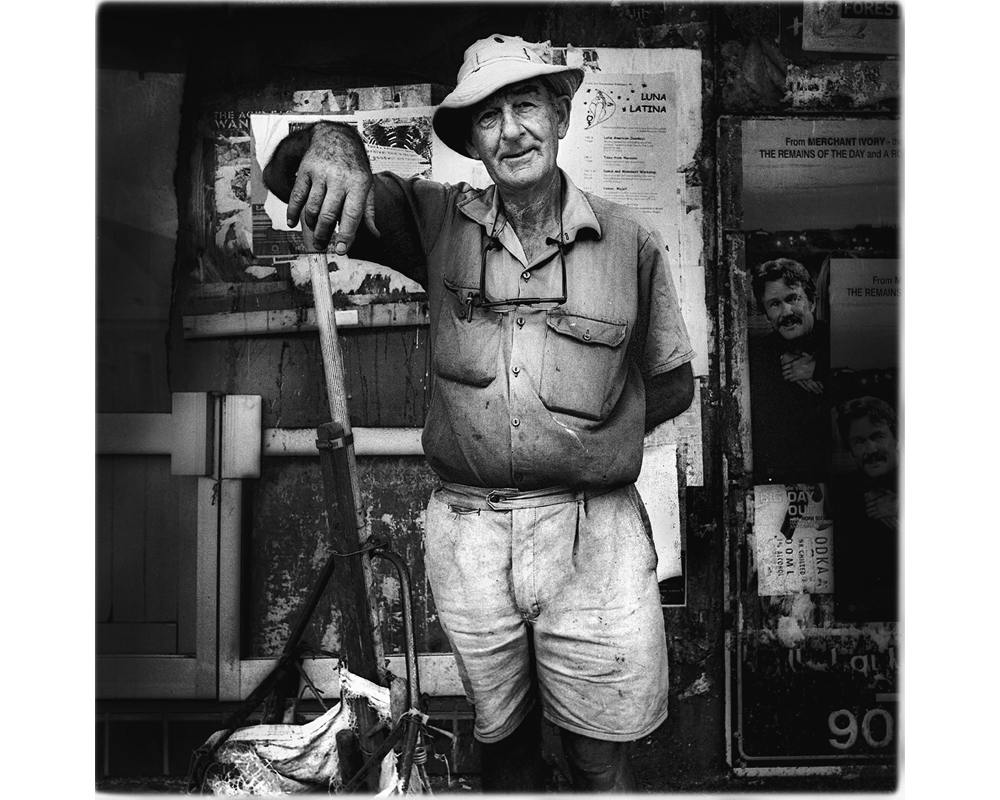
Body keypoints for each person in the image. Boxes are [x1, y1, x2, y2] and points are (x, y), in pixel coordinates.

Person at [260, 34, 695, 792]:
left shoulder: (630, 241)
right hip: (472, 531)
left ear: (559, 114)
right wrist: (332, 141)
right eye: (489, 118)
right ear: (473, 142)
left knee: (599, 755)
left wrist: (590, 444)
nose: (512, 131)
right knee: (503, 743)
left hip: (595, 535)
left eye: (526, 105)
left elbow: (674, 382)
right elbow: (284, 171)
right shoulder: (434, 223)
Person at [748, 258, 831, 483]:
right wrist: (781, 362)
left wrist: (821, 369)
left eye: (793, 299)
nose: (786, 312)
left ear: (812, 301)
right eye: (774, 304)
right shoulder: (758, 355)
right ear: (766, 314)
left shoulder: (838, 342)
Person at [831, 396, 900, 622]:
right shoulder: (843, 493)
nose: (871, 449)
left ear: (895, 437)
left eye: (878, 436)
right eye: (859, 441)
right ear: (851, 450)